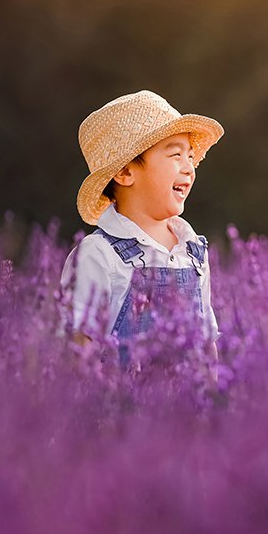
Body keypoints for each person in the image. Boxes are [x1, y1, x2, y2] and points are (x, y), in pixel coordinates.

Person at [60, 90, 223, 365]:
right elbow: (79, 350)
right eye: (175, 155)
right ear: (124, 172)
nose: (189, 168)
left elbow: (206, 345)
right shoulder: (98, 255)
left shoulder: (193, 251)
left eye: (191, 156)